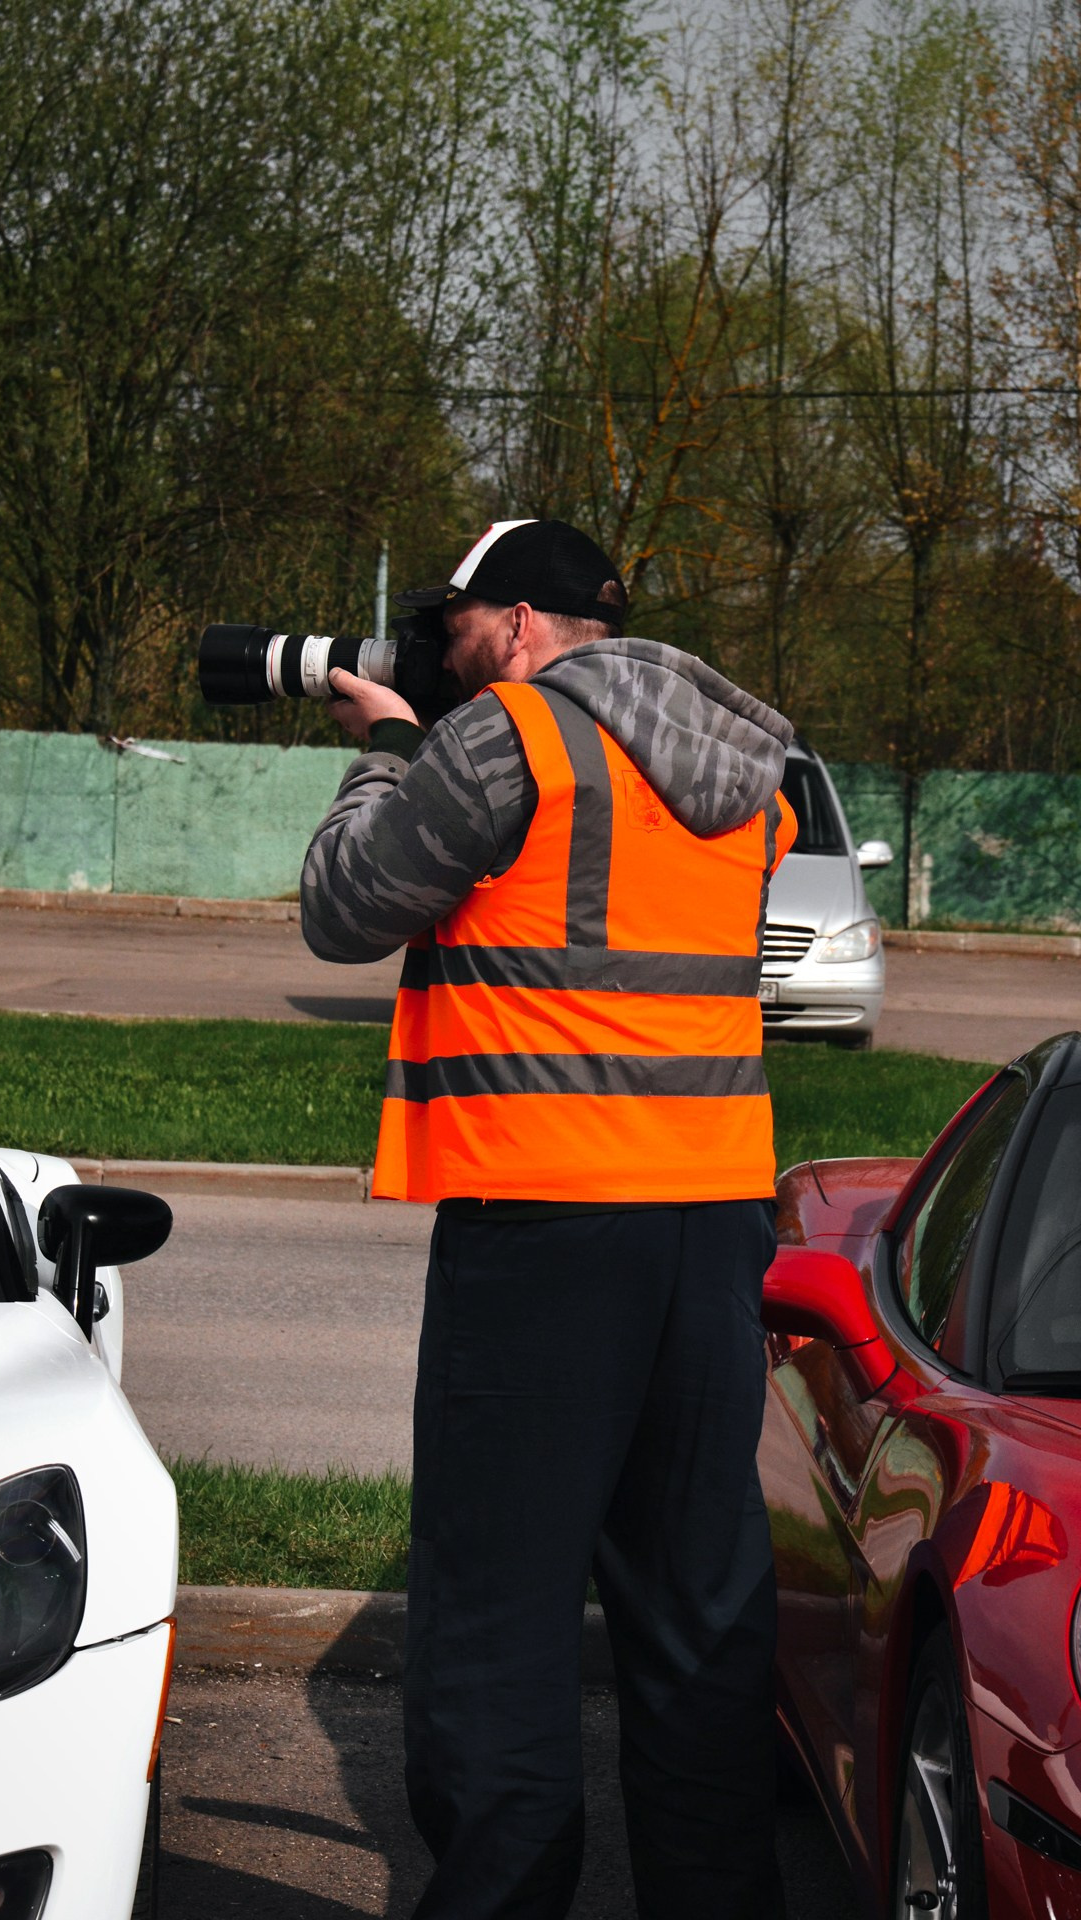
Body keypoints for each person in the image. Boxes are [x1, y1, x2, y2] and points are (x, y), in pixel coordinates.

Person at [300, 518, 797, 1920]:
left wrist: (388, 746)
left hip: (545, 1215)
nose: (444, 653)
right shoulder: (748, 766)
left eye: (457, 628)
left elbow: (343, 910)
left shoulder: (508, 738)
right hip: (709, 1229)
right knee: (696, 1614)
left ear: (519, 628)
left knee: (496, 1619)